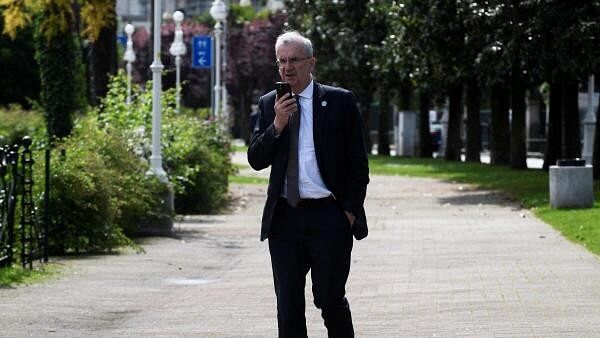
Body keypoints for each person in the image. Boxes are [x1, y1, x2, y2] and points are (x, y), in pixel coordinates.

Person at [247, 30, 370, 337]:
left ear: (311, 62)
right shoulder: (268, 104)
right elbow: (256, 159)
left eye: (294, 60)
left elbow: (358, 164)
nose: (287, 68)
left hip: (329, 216)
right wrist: (277, 125)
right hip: (285, 218)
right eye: (281, 61)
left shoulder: (339, 101)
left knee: (329, 299)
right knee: (288, 306)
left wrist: (349, 213)